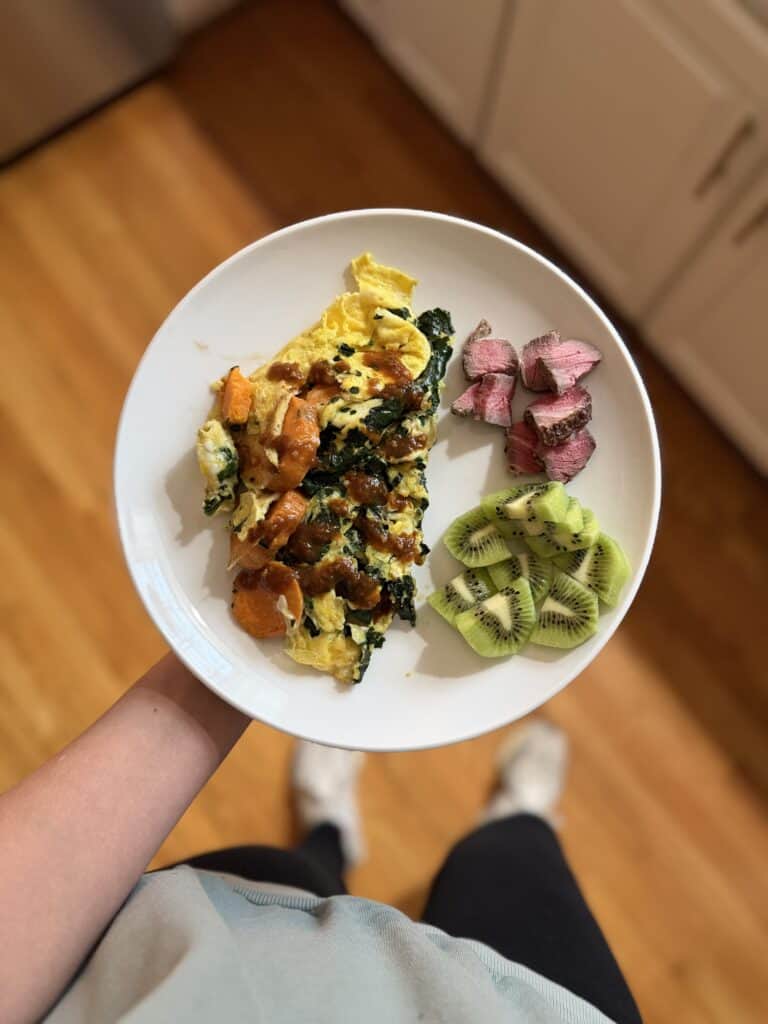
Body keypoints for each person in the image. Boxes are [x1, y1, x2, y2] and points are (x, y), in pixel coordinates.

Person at [0, 654, 642, 1023]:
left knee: (288, 873)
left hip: (211, 956)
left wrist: (221, 671)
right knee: (512, 863)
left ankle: (330, 832)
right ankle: (518, 815)